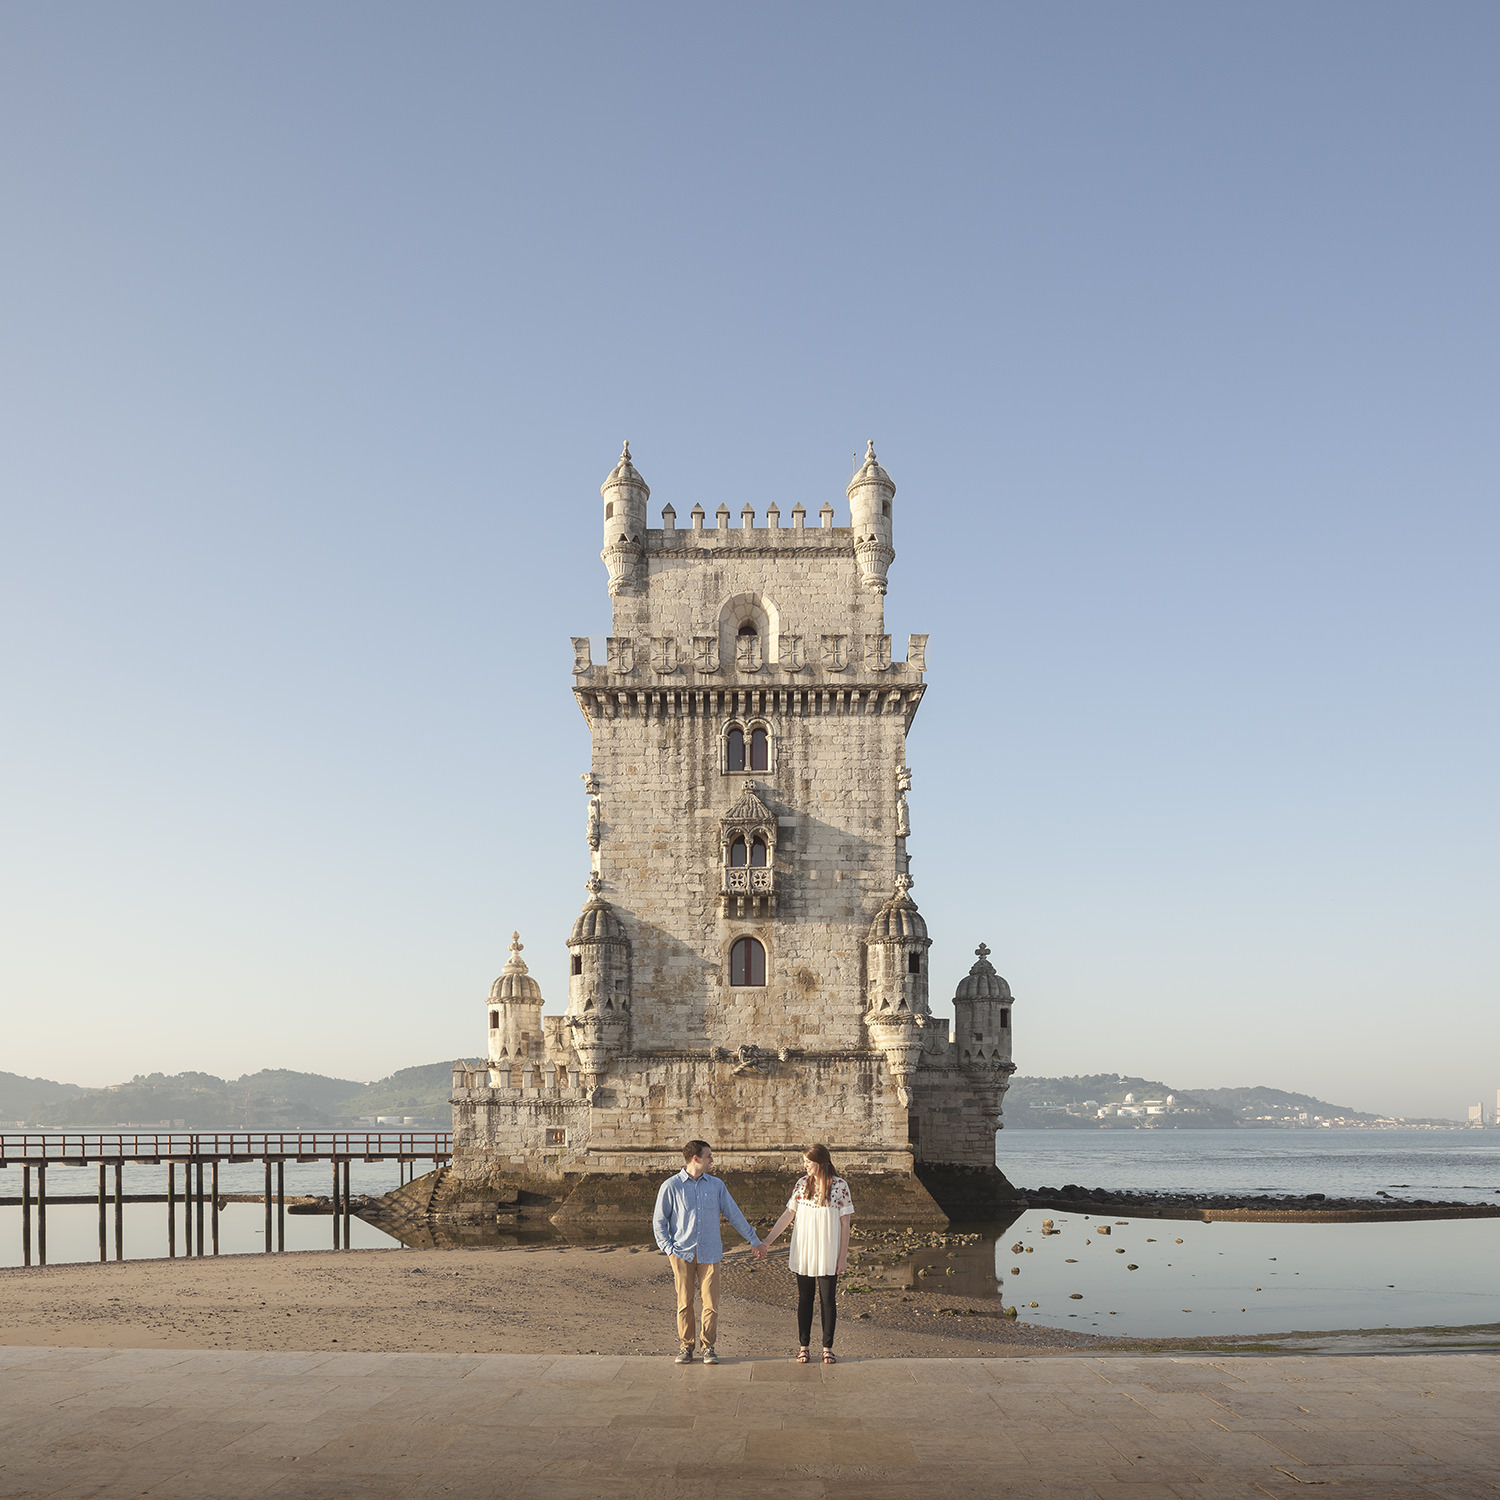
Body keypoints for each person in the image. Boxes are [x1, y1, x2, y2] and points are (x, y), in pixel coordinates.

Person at [652, 1139, 765, 1364]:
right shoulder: (671, 1186)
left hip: (710, 1253)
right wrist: (668, 1249)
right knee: (684, 1302)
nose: (712, 1160)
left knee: (711, 1304)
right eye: (709, 1156)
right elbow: (659, 1221)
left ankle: (708, 1347)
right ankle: (686, 1346)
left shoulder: (716, 1186)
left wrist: (754, 1239)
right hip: (681, 1253)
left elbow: (734, 1214)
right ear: (696, 1158)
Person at [758, 1143, 854, 1364]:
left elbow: (845, 1224)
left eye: (808, 1162)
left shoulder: (840, 1186)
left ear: (820, 1162)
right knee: (805, 1299)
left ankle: (827, 1348)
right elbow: (788, 1215)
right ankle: (804, 1346)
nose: (805, 1166)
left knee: (828, 1300)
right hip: (804, 1250)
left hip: (828, 1250)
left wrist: (843, 1257)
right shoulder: (802, 1184)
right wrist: (767, 1242)